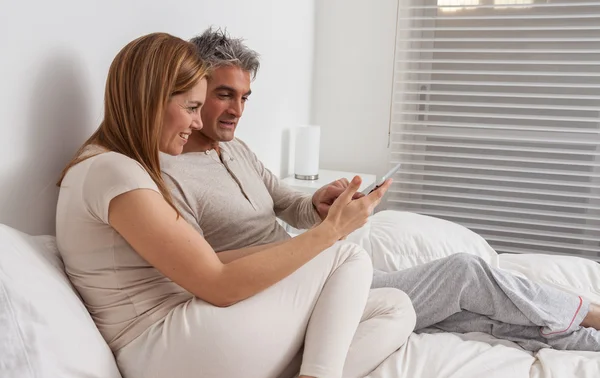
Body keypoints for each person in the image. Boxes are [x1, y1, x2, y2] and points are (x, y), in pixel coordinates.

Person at [161, 27, 600, 355]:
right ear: (194, 89)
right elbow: (203, 270)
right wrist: (327, 234)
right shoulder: (167, 173)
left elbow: (284, 202)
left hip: (321, 271)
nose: (237, 110)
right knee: (465, 272)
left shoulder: (235, 149)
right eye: (224, 95)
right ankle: (589, 312)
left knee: (469, 310)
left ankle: (582, 339)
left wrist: (317, 204)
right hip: (292, 295)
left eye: (245, 98)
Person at [55, 32, 416, 378]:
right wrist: (331, 233)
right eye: (192, 107)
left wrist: (314, 242)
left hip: (187, 344)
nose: (197, 123)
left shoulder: (116, 167)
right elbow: (219, 284)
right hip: (166, 355)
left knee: (395, 308)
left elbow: (205, 264)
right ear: (151, 99)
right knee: (347, 256)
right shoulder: (114, 172)